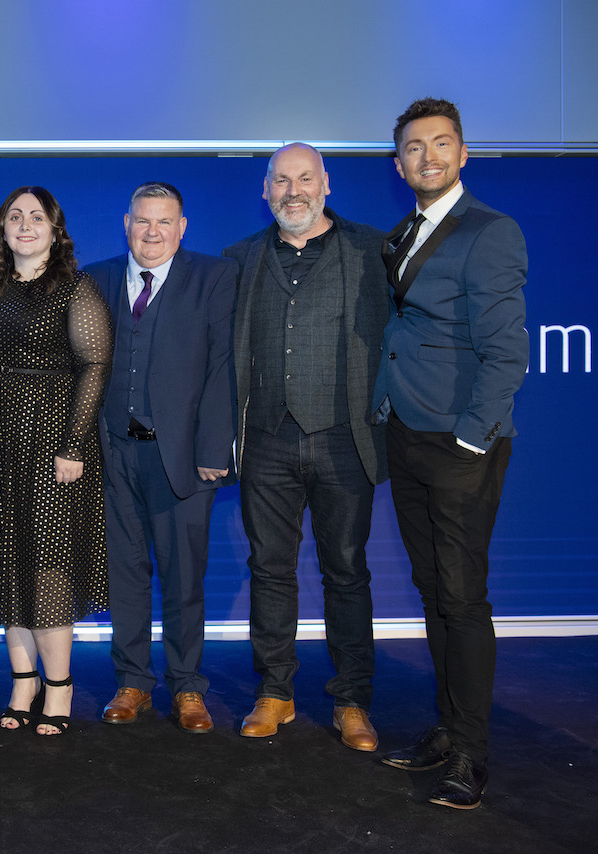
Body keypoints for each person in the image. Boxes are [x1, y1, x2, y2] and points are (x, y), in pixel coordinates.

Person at [372, 98, 527, 810]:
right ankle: (446, 726)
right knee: (434, 593)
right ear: (398, 160)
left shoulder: (491, 233)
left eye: (440, 144)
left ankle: (472, 752)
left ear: (463, 153)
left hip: (460, 445)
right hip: (405, 435)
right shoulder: (405, 229)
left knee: (463, 600)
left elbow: (506, 352)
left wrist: (472, 435)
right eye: (412, 147)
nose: (426, 157)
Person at [223, 144, 387, 752]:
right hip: (265, 441)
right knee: (270, 569)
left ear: (327, 184)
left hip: (346, 440)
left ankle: (351, 701)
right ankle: (276, 692)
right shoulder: (239, 259)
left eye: (305, 178)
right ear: (265, 190)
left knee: (346, 572)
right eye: (282, 180)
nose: (294, 190)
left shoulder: (373, 250)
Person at [86, 182, 237, 734]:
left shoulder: (214, 277)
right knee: (124, 573)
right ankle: (132, 682)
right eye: (143, 222)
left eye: (164, 222)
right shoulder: (95, 279)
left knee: (183, 577)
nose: (152, 233)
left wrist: (213, 449)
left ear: (183, 226)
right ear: (127, 224)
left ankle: (188, 688)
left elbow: (223, 368)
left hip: (182, 460)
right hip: (113, 455)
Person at [0, 186, 113, 737]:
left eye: (36, 217)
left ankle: (59, 686)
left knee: (47, 562)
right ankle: (21, 681)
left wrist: (73, 445)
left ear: (55, 229)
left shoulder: (76, 288)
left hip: (52, 440)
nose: (25, 224)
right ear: (2, 228)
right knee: (9, 561)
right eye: (14, 216)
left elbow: (95, 365)